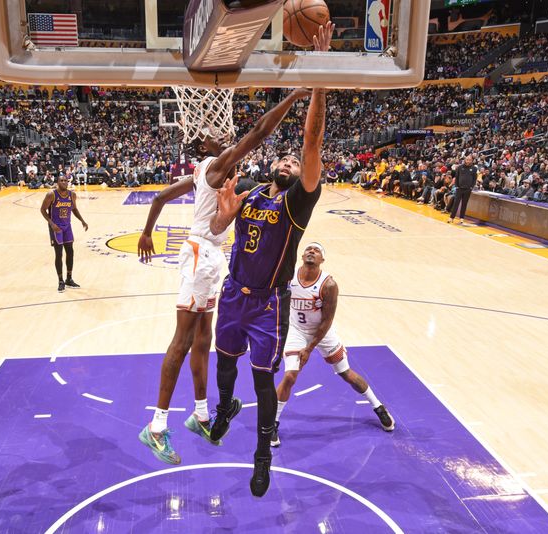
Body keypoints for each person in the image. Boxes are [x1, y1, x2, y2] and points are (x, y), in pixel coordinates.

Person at [137, 86, 314, 465]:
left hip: (211, 257)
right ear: (203, 144)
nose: (221, 130)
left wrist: (148, 230)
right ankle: (155, 426)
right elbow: (259, 135)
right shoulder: (215, 165)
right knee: (182, 342)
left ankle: (201, 414)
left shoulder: (207, 171)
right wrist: (293, 98)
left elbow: (158, 198)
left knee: (203, 341)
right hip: (202, 255)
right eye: (213, 131)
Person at [206, 21, 334, 499]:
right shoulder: (253, 191)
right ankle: (223, 409)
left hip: (268, 306)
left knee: (262, 383)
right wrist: (222, 215)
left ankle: (261, 455)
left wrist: (318, 81)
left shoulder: (298, 202)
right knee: (224, 367)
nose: (288, 161)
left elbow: (312, 144)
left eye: (294, 162)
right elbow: (220, 230)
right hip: (232, 296)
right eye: (283, 159)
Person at [272, 243, 395, 447]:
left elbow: (327, 321)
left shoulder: (328, 285)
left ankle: (378, 407)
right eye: (309, 249)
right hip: (296, 331)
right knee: (290, 375)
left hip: (323, 333)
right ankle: (272, 424)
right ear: (302, 255)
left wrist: (309, 349)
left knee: (346, 373)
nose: (312, 251)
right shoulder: (289, 275)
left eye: (317, 250)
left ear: (322, 260)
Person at [40, 175, 88, 292]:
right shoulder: (51, 194)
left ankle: (69, 279)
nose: (63, 182)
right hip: (56, 227)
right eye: (61, 180)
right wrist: (51, 224)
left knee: (70, 252)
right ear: (57, 182)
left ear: (68, 182)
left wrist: (82, 220)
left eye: (65, 180)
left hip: (67, 226)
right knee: (59, 254)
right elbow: (42, 210)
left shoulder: (72, 195)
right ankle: (60, 281)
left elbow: (74, 209)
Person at [448, 155, 478, 224]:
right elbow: (456, 177)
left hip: (468, 189)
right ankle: (451, 217)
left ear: (472, 161)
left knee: (464, 204)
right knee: (456, 203)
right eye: (467, 159)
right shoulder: (460, 167)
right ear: (465, 160)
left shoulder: (474, 169)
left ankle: (461, 218)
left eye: (469, 160)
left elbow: (474, 179)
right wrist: (457, 186)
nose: (468, 161)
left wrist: (471, 187)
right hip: (459, 188)